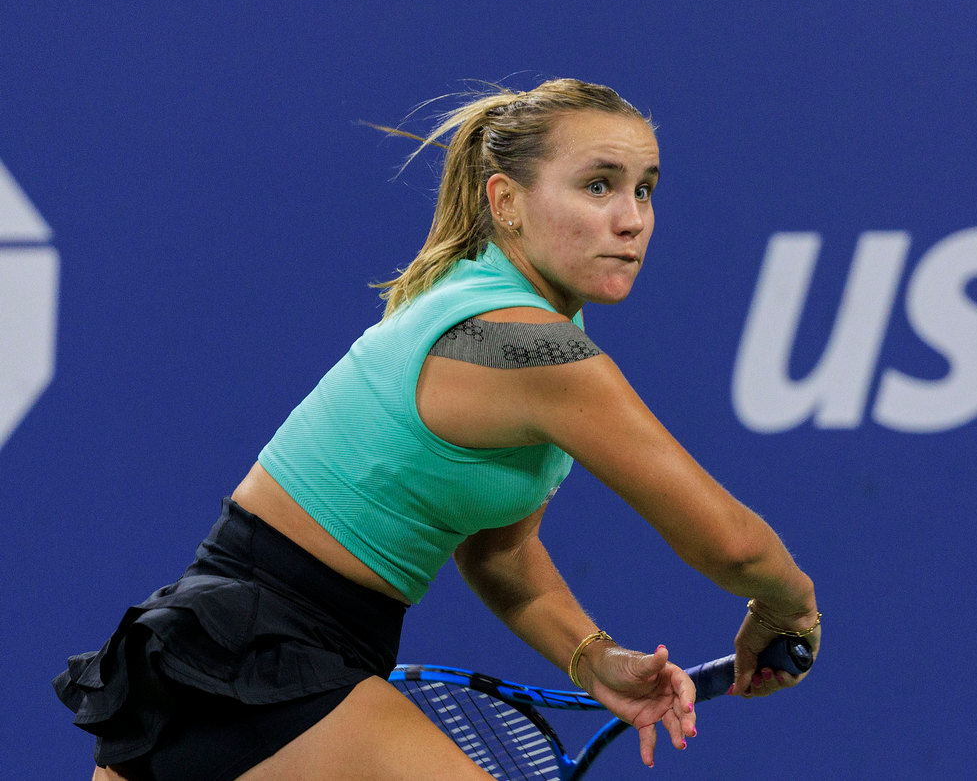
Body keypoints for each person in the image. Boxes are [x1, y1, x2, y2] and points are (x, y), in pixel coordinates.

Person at [54, 77, 821, 780]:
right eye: (598, 185)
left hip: (209, 647)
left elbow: (500, 551)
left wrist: (592, 658)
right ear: (507, 200)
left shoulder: (494, 308)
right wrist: (792, 604)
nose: (632, 219)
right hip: (265, 660)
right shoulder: (534, 347)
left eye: (644, 189)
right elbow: (733, 546)